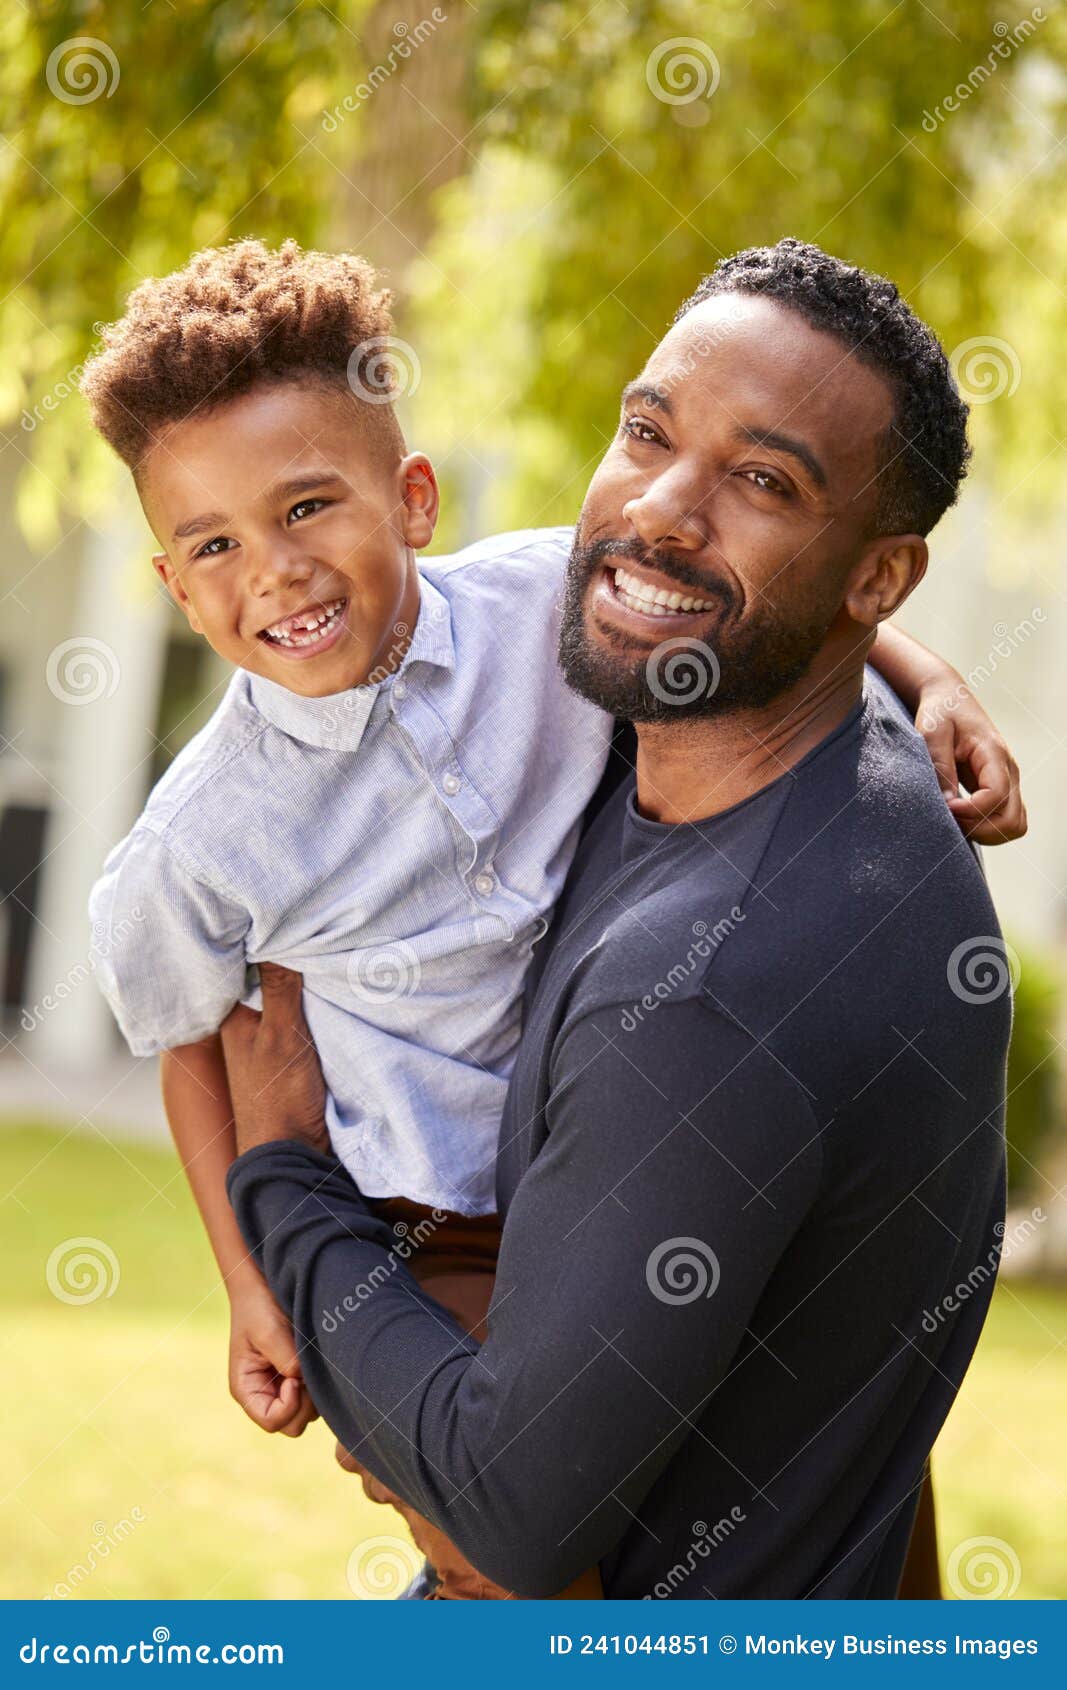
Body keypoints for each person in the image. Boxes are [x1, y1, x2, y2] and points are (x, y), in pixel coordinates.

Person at [220, 240, 1018, 1599]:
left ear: (878, 574)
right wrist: (919, 661)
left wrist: (283, 1169)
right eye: (647, 431)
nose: (660, 508)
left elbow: (504, 1519)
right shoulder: (844, 766)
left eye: (763, 481)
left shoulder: (716, 988)